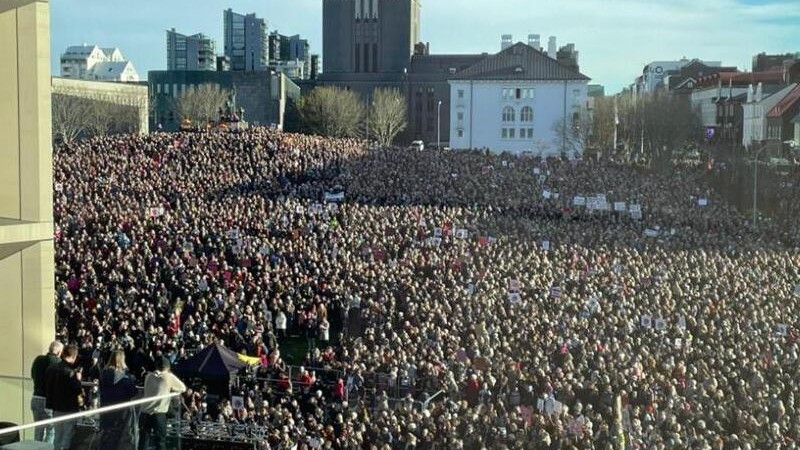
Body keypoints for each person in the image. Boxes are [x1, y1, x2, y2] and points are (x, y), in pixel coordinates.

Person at [138, 356, 187, 450]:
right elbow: (183, 388)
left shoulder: (148, 376)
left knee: (143, 441)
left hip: (144, 412)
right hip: (159, 414)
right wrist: (171, 390)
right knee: (160, 442)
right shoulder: (168, 377)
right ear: (168, 367)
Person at [99, 349, 139, 450]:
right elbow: (133, 392)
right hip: (121, 411)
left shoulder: (104, 374)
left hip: (105, 408)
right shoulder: (126, 377)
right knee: (118, 437)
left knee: (106, 434)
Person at [45, 344, 82, 450]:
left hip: (55, 407)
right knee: (67, 437)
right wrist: (78, 379)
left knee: (57, 436)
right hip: (69, 408)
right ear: (74, 356)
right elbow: (77, 390)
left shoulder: (51, 368)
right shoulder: (71, 372)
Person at [30, 340, 63, 443]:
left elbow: (32, 375)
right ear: (58, 352)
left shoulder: (38, 359)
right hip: (48, 401)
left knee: (38, 429)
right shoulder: (58, 362)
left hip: (35, 398)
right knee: (51, 430)